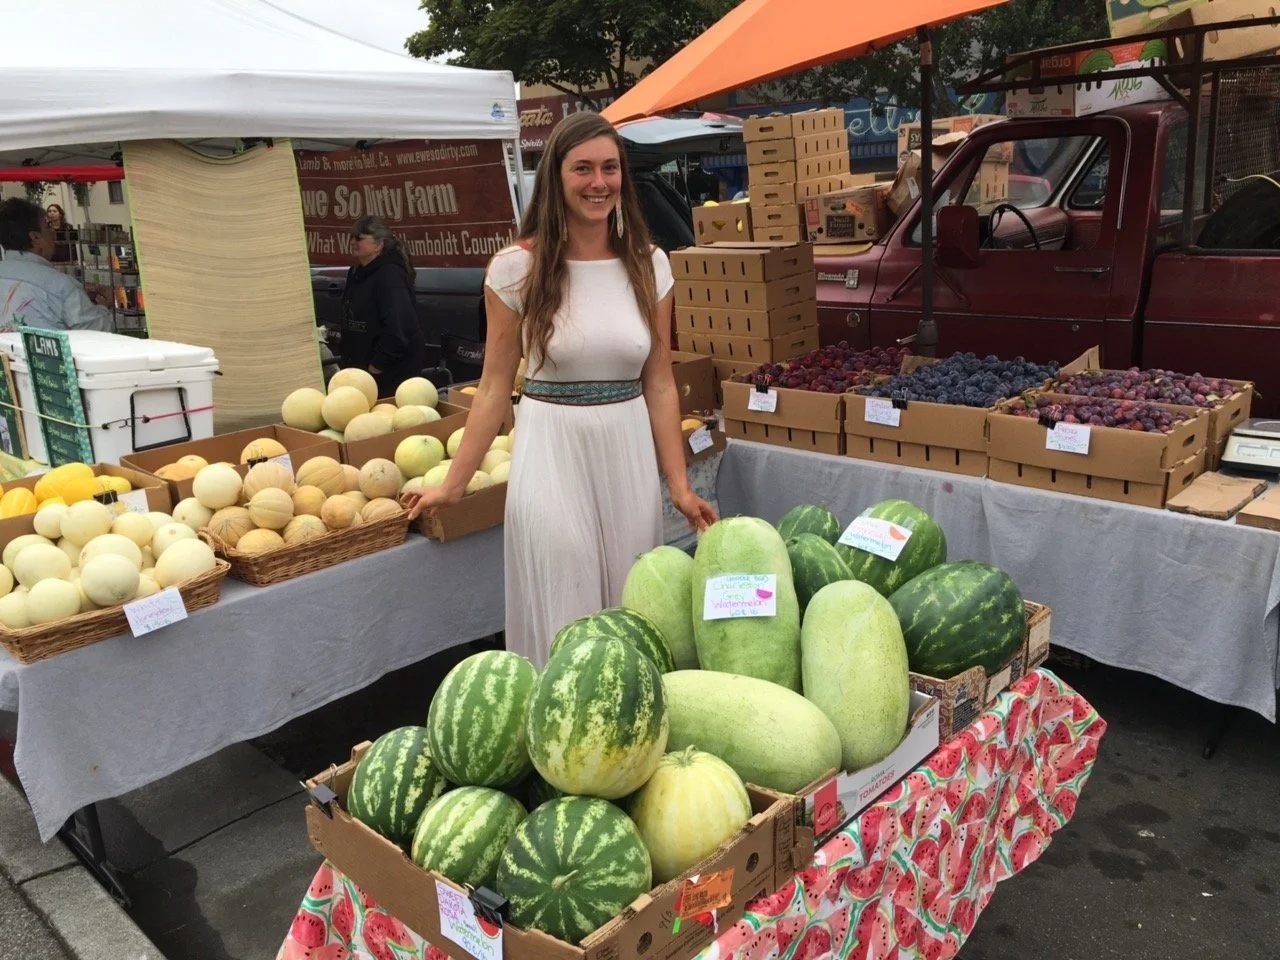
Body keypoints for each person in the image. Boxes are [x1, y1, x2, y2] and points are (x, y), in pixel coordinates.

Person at [401, 111, 718, 667]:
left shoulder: (652, 265)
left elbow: (660, 382)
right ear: (556, 177)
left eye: (610, 168)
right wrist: (454, 485)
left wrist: (679, 487)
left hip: (626, 452)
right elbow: (496, 385)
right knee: (563, 594)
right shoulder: (514, 269)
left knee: (629, 603)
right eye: (583, 169)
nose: (599, 183)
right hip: (550, 451)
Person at [339, 217, 426, 399]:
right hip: (363, 373)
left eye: (359, 238)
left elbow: (399, 326)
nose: (353, 242)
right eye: (352, 238)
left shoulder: (390, 276)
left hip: (390, 375)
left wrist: (377, 366)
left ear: (378, 244)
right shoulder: (355, 273)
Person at [0, 198, 112, 332]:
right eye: (47, 227)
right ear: (35, 238)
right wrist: (104, 307)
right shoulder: (60, 286)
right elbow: (96, 333)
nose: (52, 234)